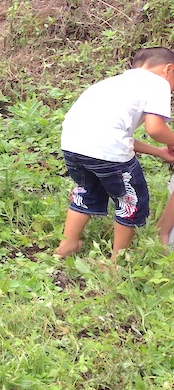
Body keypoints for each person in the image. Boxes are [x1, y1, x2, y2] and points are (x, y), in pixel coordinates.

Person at [56, 47, 174, 259]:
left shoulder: (112, 84)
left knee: (86, 191)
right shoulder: (159, 84)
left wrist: (159, 152)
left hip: (72, 143)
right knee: (131, 201)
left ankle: (67, 245)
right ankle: (116, 261)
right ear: (169, 69)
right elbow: (155, 129)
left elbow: (114, 135)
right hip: (106, 149)